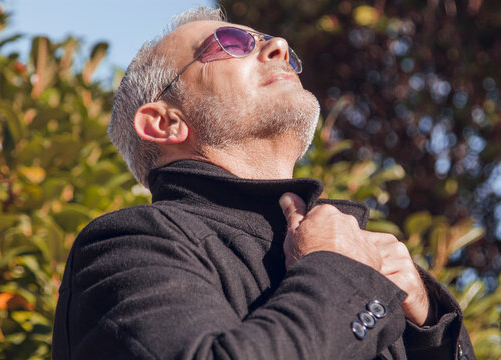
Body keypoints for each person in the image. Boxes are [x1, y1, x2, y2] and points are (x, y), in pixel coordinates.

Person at [52, 6, 475, 360]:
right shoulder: (126, 245)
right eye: (232, 43)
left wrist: (429, 330)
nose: (281, 48)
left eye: (275, 45)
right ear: (165, 123)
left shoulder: (364, 261)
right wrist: (338, 271)